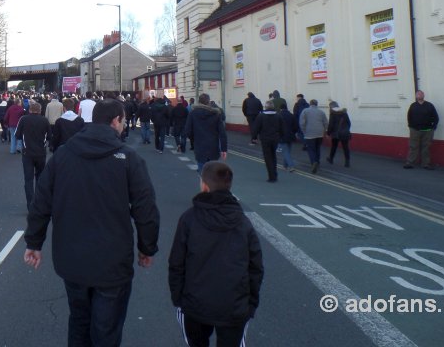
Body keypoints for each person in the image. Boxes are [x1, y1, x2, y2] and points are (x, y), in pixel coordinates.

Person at [24, 99, 160, 347]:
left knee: (79, 321)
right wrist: (146, 248)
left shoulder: (63, 155)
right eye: (123, 121)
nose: (124, 125)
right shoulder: (128, 158)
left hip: (71, 259)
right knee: (106, 329)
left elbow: (41, 201)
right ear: (115, 120)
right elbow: (146, 208)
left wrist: (34, 242)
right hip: (112, 261)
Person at [168, 161, 263, 347]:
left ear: (204, 184)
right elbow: (256, 268)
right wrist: (250, 305)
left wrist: (178, 298)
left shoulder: (189, 218)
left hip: (194, 304)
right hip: (234, 307)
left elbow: (176, 263)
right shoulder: (243, 223)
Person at [15, 102, 52, 210]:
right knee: (40, 179)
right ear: (40, 110)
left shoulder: (23, 119)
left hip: (27, 153)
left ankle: (30, 205)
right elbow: (49, 136)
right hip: (41, 153)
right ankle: (39, 203)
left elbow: (17, 135)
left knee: (28, 180)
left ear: (30, 109)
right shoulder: (44, 120)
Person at [185, 93, 228, 176]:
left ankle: (205, 187)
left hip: (200, 147)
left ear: (199, 101)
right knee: (213, 174)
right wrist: (224, 149)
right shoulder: (216, 114)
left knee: (202, 173)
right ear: (208, 101)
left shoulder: (193, 114)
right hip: (213, 148)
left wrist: (194, 139)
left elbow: (187, 131)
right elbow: (222, 133)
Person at [404, 90, 439, 170]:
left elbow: (436, 117)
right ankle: (409, 162)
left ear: (424, 95)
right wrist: (411, 127)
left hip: (428, 130)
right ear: (416, 96)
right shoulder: (413, 106)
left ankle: (426, 164)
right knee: (413, 146)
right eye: (418, 94)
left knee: (426, 147)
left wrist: (433, 127)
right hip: (415, 130)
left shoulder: (429, 105)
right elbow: (409, 117)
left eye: (421, 94)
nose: (420, 95)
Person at [252, 100, 285, 182]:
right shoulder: (278, 116)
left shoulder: (261, 116)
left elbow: (256, 128)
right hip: (275, 139)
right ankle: (275, 173)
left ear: (265, 107)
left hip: (265, 139)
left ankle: (272, 176)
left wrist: (254, 137)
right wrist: (281, 137)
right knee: (273, 156)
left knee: (268, 157)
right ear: (273, 107)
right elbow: (283, 128)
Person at [299, 99, 328, 174]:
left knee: (311, 149)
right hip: (319, 133)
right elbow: (326, 122)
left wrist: (304, 131)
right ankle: (317, 162)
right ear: (317, 104)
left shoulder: (305, 111)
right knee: (317, 148)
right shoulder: (321, 112)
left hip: (309, 133)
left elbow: (302, 123)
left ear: (310, 104)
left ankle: (313, 162)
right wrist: (324, 131)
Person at [326, 101, 352, 167]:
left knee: (334, 146)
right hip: (344, 133)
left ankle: (331, 159)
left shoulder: (332, 113)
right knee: (345, 147)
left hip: (336, 133)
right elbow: (349, 122)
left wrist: (328, 133)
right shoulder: (344, 112)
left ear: (331, 107)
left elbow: (331, 124)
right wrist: (346, 129)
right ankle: (347, 162)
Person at [277, 105, 298, 172]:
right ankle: (285, 165)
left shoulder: (278, 115)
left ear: (280, 109)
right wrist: (293, 133)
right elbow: (296, 126)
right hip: (291, 136)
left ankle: (291, 166)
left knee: (286, 152)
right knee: (288, 151)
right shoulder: (291, 115)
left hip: (282, 136)